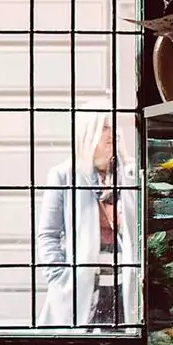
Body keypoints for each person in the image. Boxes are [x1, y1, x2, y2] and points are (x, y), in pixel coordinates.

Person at [36, 103, 136, 328]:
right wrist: (59, 278)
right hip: (81, 289)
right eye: (104, 128)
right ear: (88, 133)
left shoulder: (129, 175)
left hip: (125, 287)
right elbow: (48, 234)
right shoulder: (64, 175)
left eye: (113, 127)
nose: (113, 134)